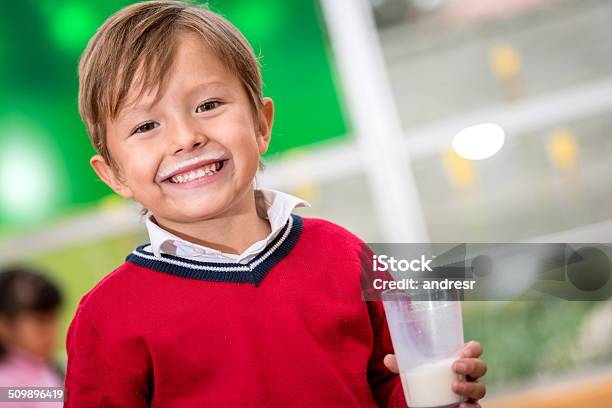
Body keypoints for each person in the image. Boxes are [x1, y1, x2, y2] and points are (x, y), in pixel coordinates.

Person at [65, 1, 487, 406]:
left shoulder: (344, 256)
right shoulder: (107, 319)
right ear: (113, 173)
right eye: (146, 125)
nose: (185, 137)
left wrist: (443, 395)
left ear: (262, 124)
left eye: (208, 105)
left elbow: (392, 383)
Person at [0, 267, 63, 408]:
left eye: (54, 319)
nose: (52, 331)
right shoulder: (6, 384)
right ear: (4, 325)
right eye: (41, 321)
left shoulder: (43, 366)